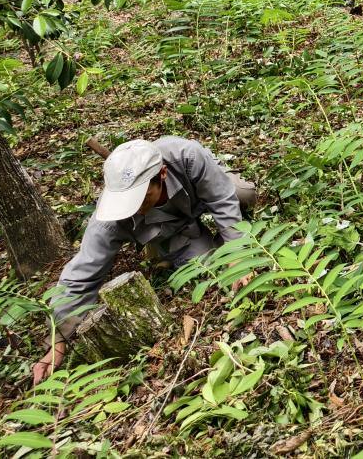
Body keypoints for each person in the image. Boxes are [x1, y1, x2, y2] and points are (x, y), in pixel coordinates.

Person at [33, 136, 256, 383]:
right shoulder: (109, 218)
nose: (135, 205)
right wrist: (58, 341)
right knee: (205, 267)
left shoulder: (187, 156)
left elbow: (221, 199)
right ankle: (163, 247)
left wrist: (238, 256)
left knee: (241, 195)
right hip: (175, 229)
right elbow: (84, 269)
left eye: (143, 196)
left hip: (200, 195)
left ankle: (232, 229)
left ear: (161, 174)